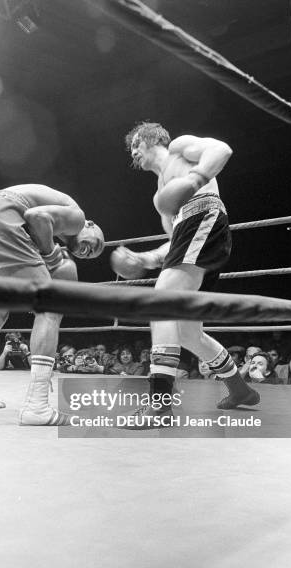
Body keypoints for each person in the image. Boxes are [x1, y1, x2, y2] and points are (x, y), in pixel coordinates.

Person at [112, 122, 259, 425]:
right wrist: (143, 258)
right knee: (188, 332)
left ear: (148, 139)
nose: (133, 153)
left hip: (206, 216)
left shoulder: (179, 150)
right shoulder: (162, 196)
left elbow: (221, 149)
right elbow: (175, 242)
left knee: (161, 302)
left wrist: (195, 179)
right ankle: (239, 389)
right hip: (194, 234)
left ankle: (160, 404)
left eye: (135, 145)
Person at [0, 184, 104, 425]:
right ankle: (37, 406)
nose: (88, 252)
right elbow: (37, 216)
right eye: (95, 244)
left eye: (90, 255)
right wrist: (53, 257)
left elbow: (34, 218)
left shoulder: (41, 228)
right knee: (50, 307)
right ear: (91, 225)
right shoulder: (77, 217)